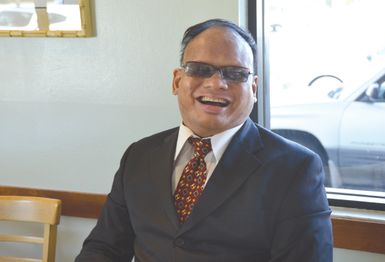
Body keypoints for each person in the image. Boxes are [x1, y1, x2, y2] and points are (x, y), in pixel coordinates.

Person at [75, 18, 333, 262]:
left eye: (234, 74)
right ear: (177, 81)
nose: (216, 83)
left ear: (253, 89)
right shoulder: (139, 155)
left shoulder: (295, 168)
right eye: (200, 69)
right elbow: (104, 248)